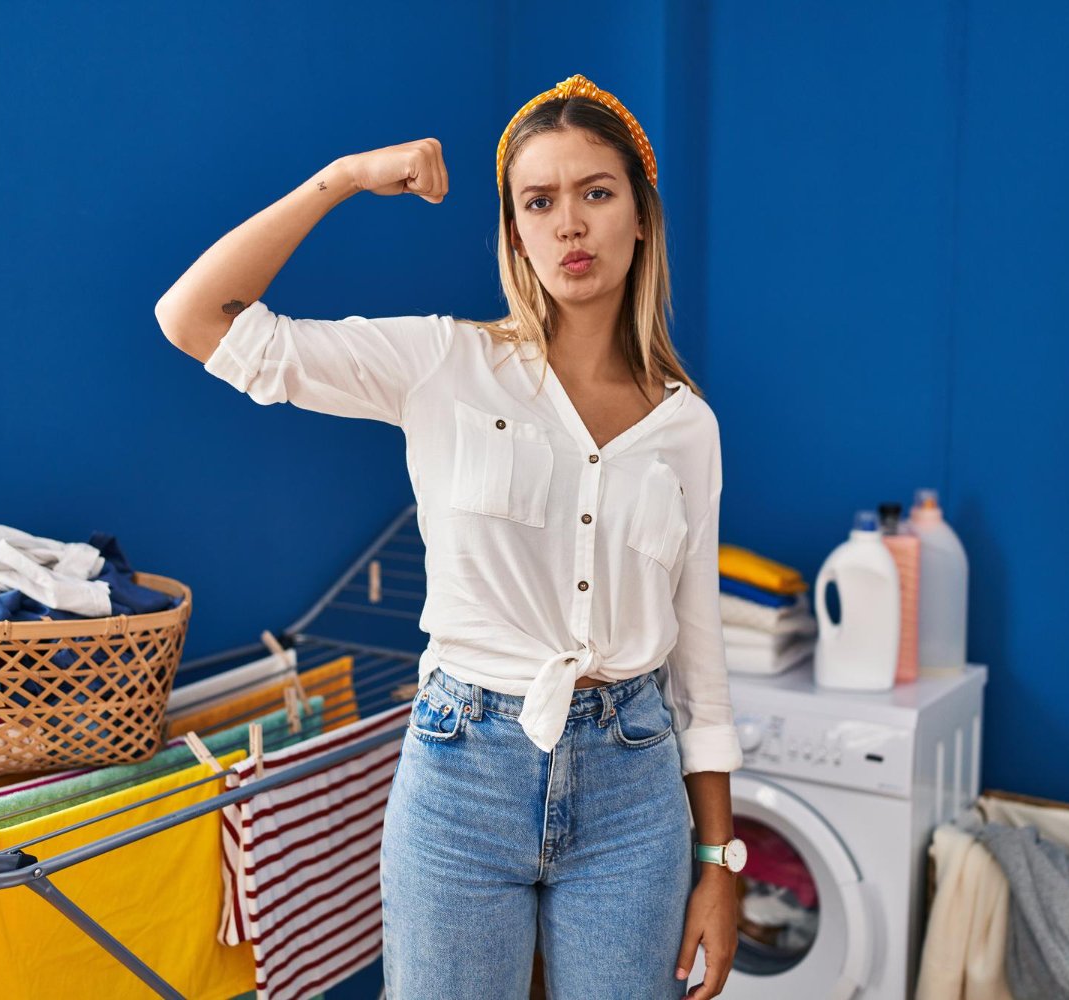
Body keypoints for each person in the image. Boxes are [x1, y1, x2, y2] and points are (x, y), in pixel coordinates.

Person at [156, 73, 746, 1000]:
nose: (569, 225)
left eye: (596, 192)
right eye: (538, 202)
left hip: (636, 786)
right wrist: (343, 177)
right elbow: (195, 319)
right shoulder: (442, 363)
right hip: (464, 770)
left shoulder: (687, 429)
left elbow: (700, 662)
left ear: (641, 217)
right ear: (513, 232)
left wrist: (722, 860)